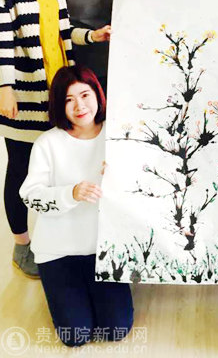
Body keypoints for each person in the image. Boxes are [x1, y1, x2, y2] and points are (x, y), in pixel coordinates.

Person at [0, 0, 109, 278]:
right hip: (24, 91)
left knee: (58, 162)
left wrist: (91, 36)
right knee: (20, 169)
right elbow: (2, 37)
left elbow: (64, 31)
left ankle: (63, 235)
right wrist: (4, 86)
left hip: (60, 89)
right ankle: (21, 244)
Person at [20, 65, 134, 347]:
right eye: (68, 99)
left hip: (104, 249)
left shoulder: (119, 134)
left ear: (98, 94)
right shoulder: (48, 143)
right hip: (58, 252)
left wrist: (123, 175)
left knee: (116, 329)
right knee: (75, 335)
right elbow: (29, 195)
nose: (79, 106)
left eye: (85, 95)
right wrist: (70, 193)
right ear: (59, 105)